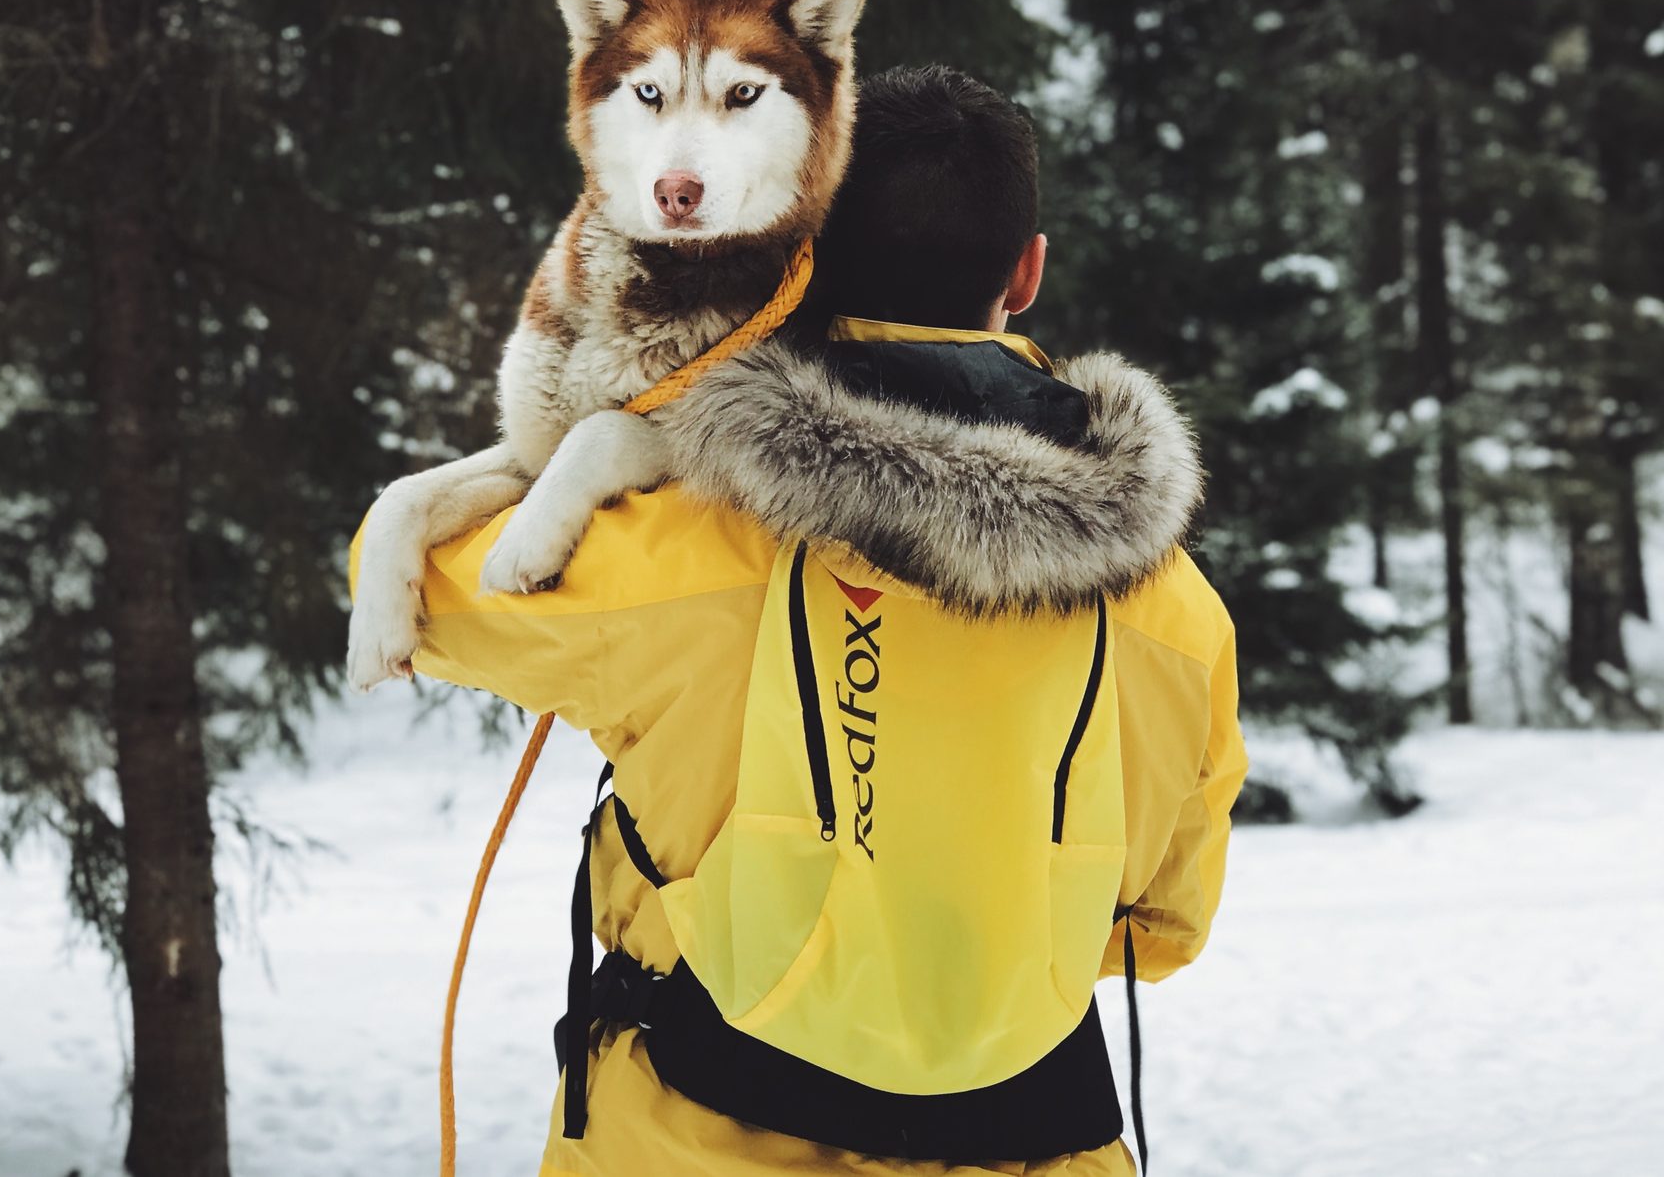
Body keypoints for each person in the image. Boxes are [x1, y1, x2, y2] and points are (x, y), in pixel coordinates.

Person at [358, 65, 1247, 1176]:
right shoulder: (1172, 609)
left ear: (800, 249)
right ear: (1026, 271)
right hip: (1040, 1141)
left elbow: (423, 592)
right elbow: (1162, 929)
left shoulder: (685, 544)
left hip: (690, 1141)